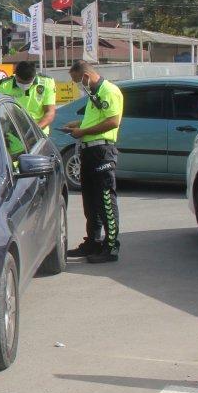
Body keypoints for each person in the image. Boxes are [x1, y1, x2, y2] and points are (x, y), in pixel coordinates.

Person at [62, 60, 124, 264]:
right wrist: (78, 125)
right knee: (90, 201)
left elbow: (112, 121)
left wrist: (83, 131)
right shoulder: (93, 94)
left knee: (106, 199)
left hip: (102, 151)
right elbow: (97, 119)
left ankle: (111, 246)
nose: (79, 85)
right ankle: (93, 242)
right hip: (88, 152)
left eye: (78, 81)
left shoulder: (109, 91)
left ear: (86, 76)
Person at [0, 61, 57, 133]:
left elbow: (50, 112)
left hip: (39, 131)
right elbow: (0, 113)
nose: (24, 85)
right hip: (13, 132)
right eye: (21, 82)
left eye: (28, 83)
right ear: (15, 75)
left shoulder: (46, 82)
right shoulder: (4, 85)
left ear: (34, 76)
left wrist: (35, 130)